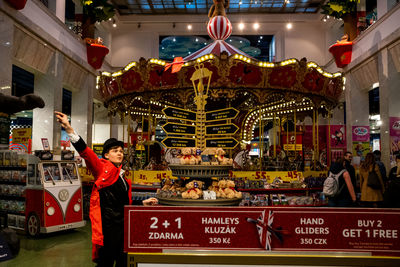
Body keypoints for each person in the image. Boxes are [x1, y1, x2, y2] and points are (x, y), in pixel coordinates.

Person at [55, 111, 157, 267]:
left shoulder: (124, 178)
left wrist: (142, 204)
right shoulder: (103, 169)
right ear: (106, 155)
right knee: (106, 263)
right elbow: (86, 153)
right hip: (108, 230)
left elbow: (124, 205)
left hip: (123, 229)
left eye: (121, 151)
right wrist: (69, 129)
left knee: (124, 262)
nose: (119, 153)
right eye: (115, 151)